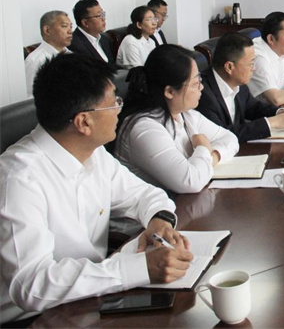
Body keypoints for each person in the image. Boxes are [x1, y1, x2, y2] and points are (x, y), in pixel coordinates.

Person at [0, 53, 192, 324]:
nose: (119, 109)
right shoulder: (18, 179)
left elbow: (144, 194)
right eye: (114, 103)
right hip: (34, 319)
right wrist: (136, 269)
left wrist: (159, 221)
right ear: (84, 122)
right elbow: (30, 285)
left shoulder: (94, 154)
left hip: (91, 298)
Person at [116, 45, 239, 193]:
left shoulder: (185, 114)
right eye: (195, 83)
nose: (201, 87)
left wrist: (211, 157)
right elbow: (191, 181)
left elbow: (230, 138)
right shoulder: (143, 128)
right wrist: (203, 147)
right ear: (169, 91)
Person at [197, 32, 284, 142]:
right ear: (229, 67)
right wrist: (272, 123)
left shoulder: (237, 82)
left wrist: (279, 112)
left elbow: (253, 107)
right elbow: (220, 135)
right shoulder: (202, 93)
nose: (254, 68)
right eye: (251, 63)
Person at [24, 10, 73, 96]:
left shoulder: (71, 55)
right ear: (47, 30)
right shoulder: (35, 61)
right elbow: (31, 98)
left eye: (71, 27)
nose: (70, 31)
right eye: (64, 26)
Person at [69, 0, 115, 66]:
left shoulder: (105, 38)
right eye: (98, 16)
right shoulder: (74, 44)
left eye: (103, 14)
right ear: (85, 23)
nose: (103, 19)